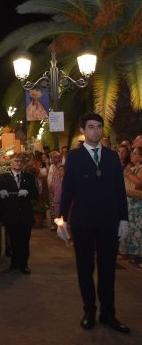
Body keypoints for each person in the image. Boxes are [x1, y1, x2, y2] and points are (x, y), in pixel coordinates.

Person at [59, 112, 130, 333]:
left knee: (108, 270)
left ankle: (108, 313)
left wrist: (123, 219)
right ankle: (89, 310)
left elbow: (119, 190)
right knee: (85, 268)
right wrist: (61, 220)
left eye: (99, 127)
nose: (95, 131)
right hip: (83, 222)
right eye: (91, 127)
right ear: (83, 130)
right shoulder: (74, 157)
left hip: (109, 222)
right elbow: (68, 190)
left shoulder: (111, 157)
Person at [0, 153, 39, 274]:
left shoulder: (29, 177)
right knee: (14, 240)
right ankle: (14, 263)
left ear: (23, 163)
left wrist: (28, 193)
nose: (18, 163)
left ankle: (24, 264)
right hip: (11, 214)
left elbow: (35, 193)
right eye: (16, 161)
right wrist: (0, 193)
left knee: (24, 240)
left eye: (20, 161)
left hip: (25, 214)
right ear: (10, 162)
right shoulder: (3, 177)